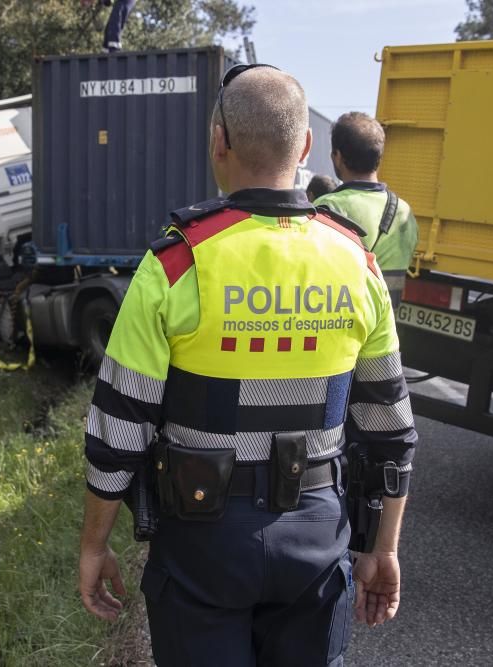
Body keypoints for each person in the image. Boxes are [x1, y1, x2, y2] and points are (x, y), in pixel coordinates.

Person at [77, 64, 418, 665]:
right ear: (307, 145)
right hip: (318, 533)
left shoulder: (177, 263)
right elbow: (390, 428)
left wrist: (94, 544)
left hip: (202, 542)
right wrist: (383, 548)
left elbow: (119, 427)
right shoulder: (357, 263)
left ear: (219, 140)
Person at [314, 112, 418, 305]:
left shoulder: (327, 207)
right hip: (385, 328)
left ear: (337, 157)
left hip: (341, 329)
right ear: (379, 156)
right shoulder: (405, 212)